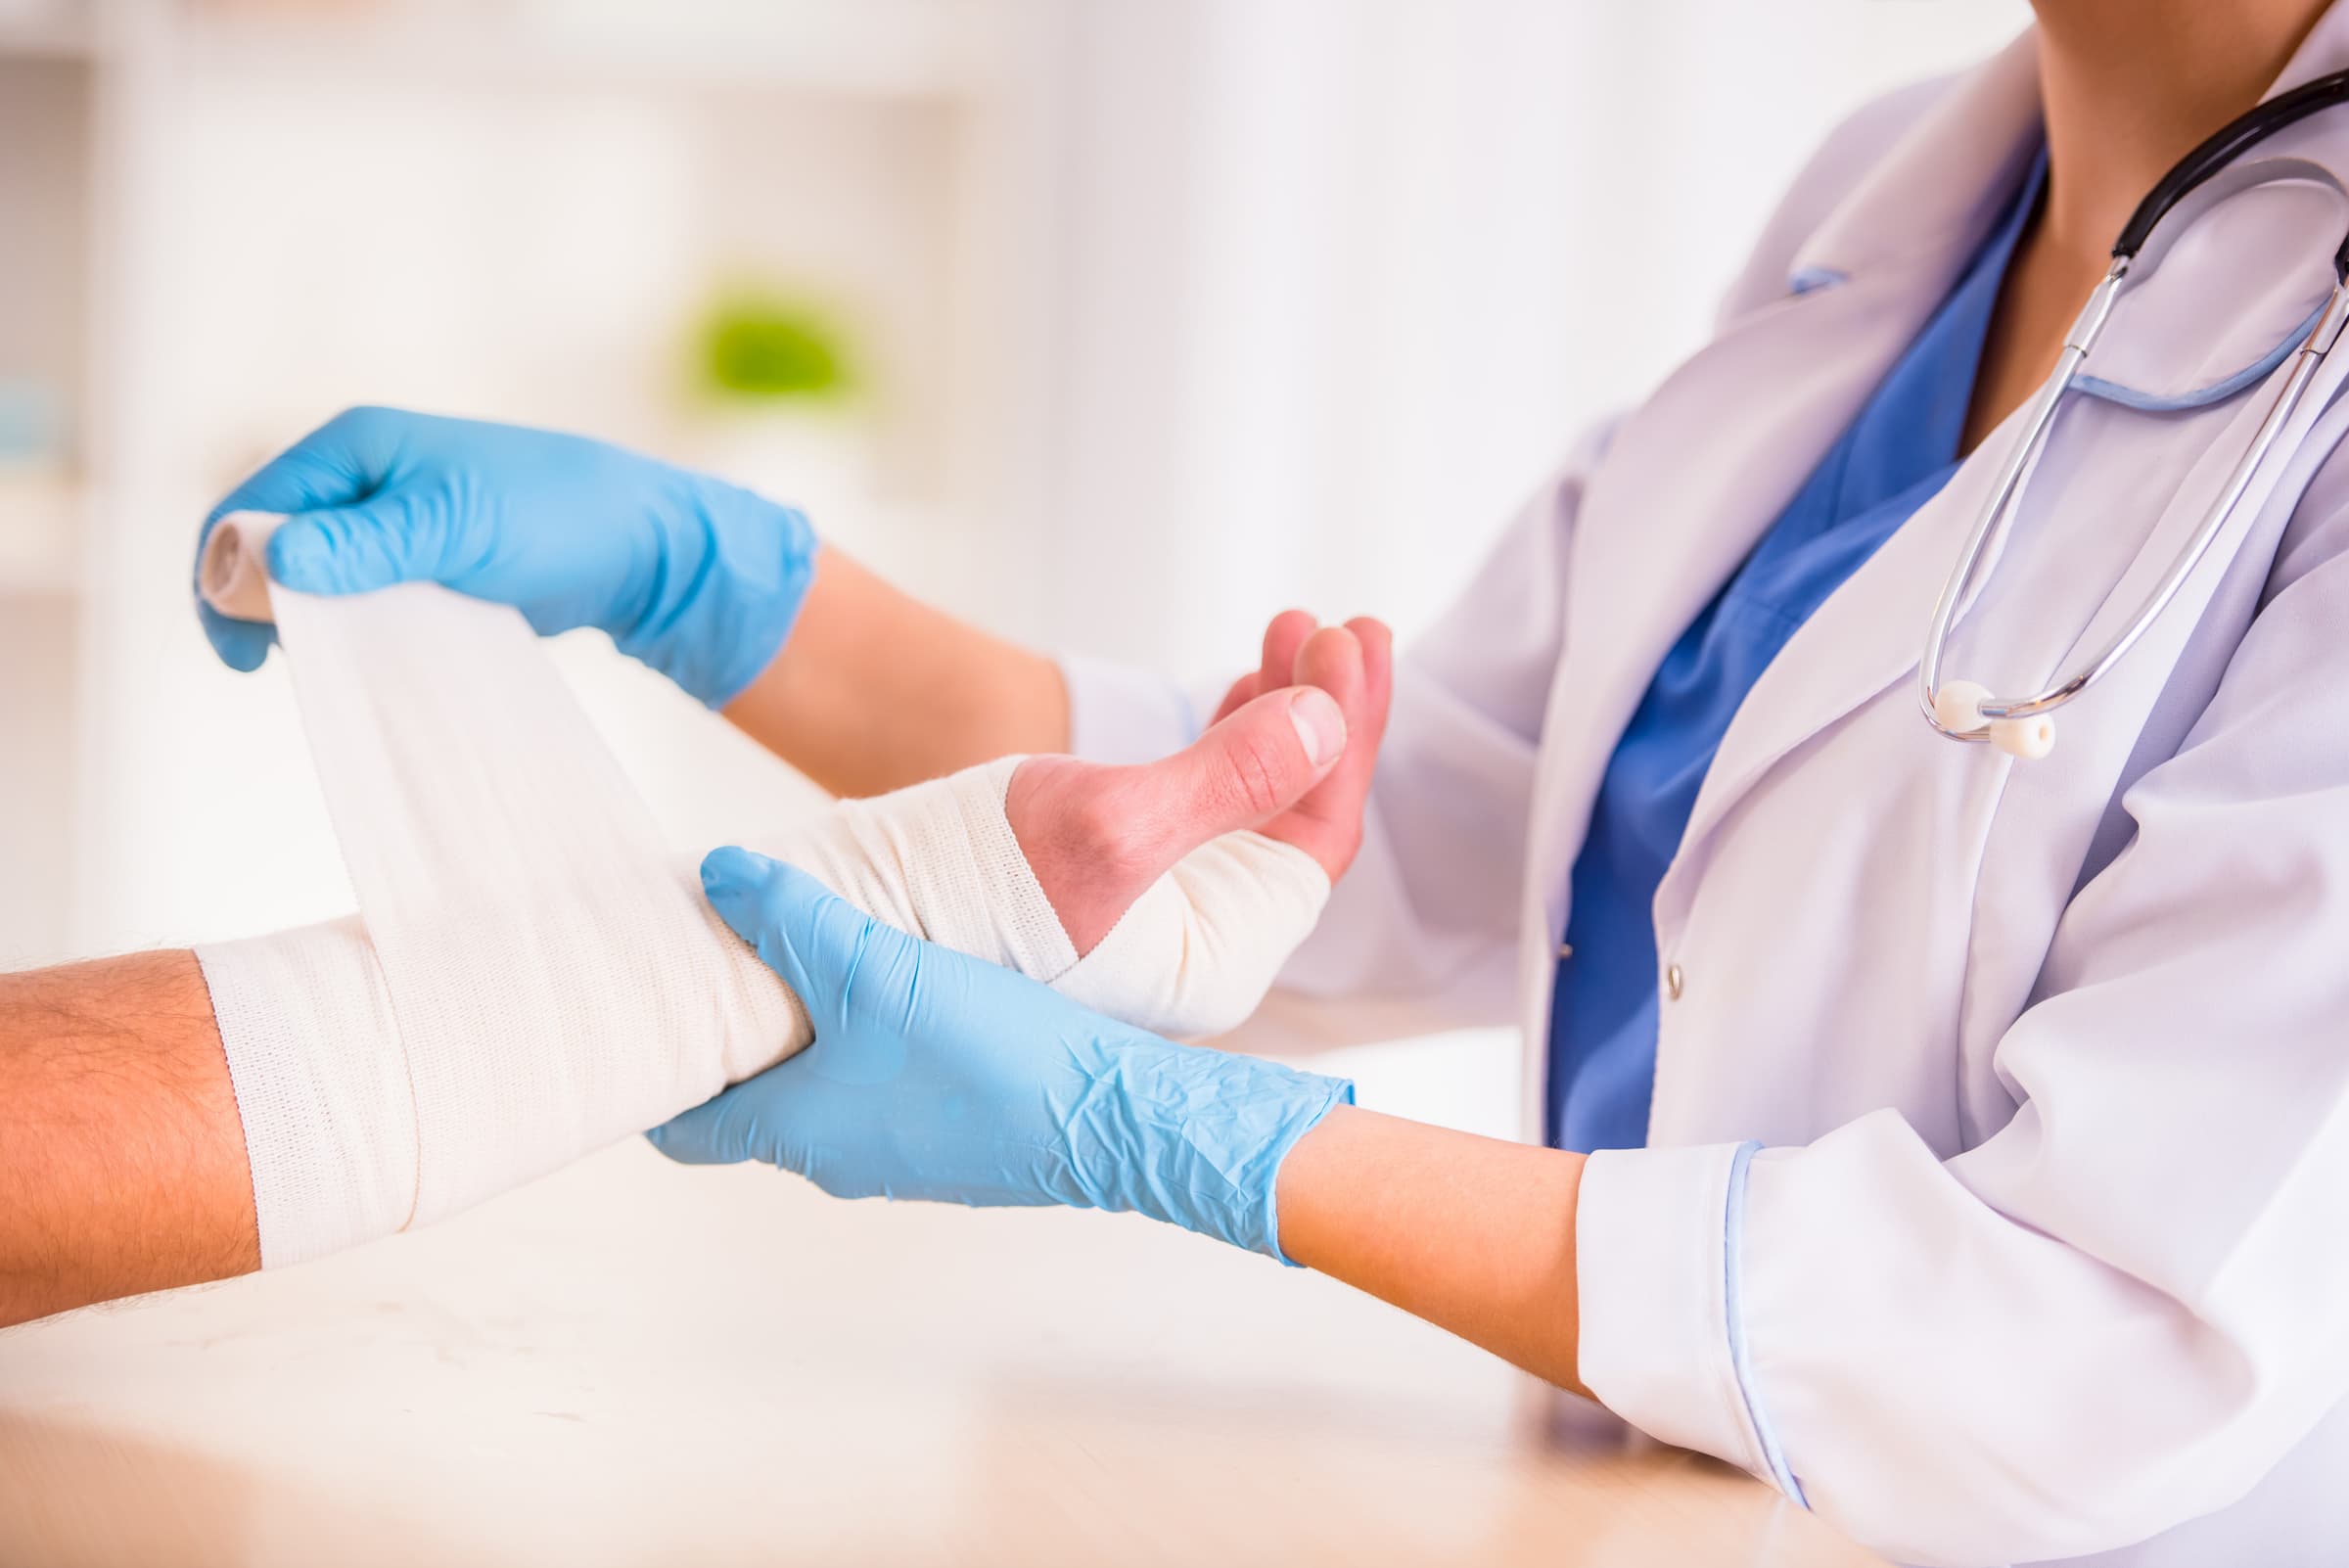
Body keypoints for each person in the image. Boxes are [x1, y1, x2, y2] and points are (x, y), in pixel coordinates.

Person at [13, 0, 2349, 1560]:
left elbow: (2107, 1325)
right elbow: (1389, 822)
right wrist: (713, 581)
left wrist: (1195, 1150)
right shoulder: (1903, 201)